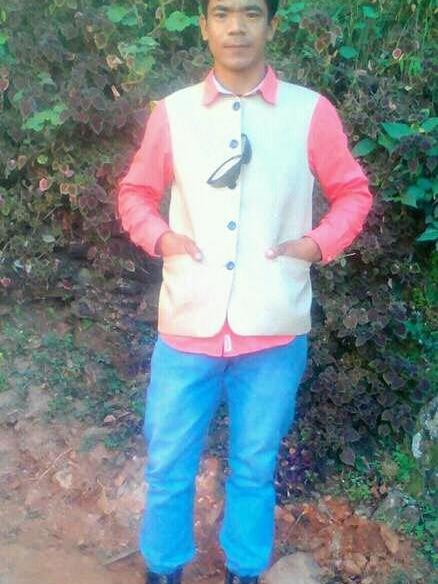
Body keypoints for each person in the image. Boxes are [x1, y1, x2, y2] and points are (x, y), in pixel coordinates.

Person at [117, 0, 373, 581]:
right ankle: (163, 569)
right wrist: (161, 238)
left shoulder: (310, 112)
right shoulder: (174, 112)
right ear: (204, 26)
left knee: (255, 469)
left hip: (273, 330)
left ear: (271, 25)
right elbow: (135, 192)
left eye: (252, 13)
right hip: (187, 325)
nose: (236, 26)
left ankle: (245, 571)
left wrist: (317, 244)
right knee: (167, 466)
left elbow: (353, 193)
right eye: (222, 13)